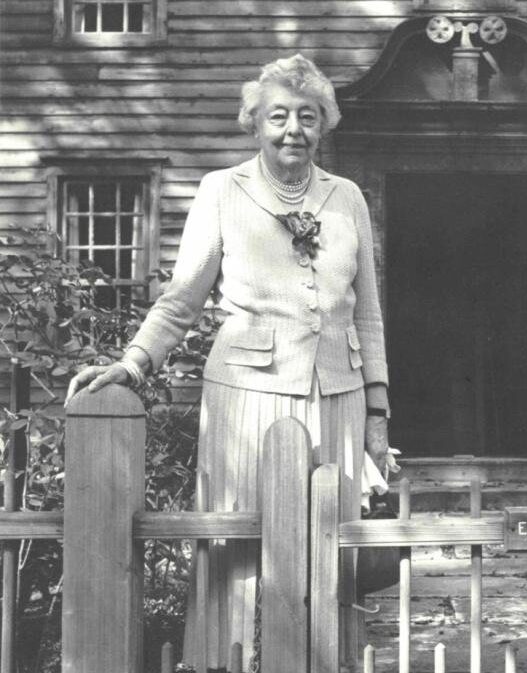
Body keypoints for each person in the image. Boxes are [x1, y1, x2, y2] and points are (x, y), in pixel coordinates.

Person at [65, 53, 390, 672]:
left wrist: (377, 412)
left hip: (339, 394)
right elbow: (182, 299)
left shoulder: (347, 197)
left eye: (308, 117)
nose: (293, 129)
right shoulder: (222, 190)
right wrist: (132, 365)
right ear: (254, 123)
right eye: (279, 116)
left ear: (324, 125)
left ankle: (332, 664)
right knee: (237, 546)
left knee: (333, 546)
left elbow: (368, 314)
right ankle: (222, 663)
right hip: (249, 393)